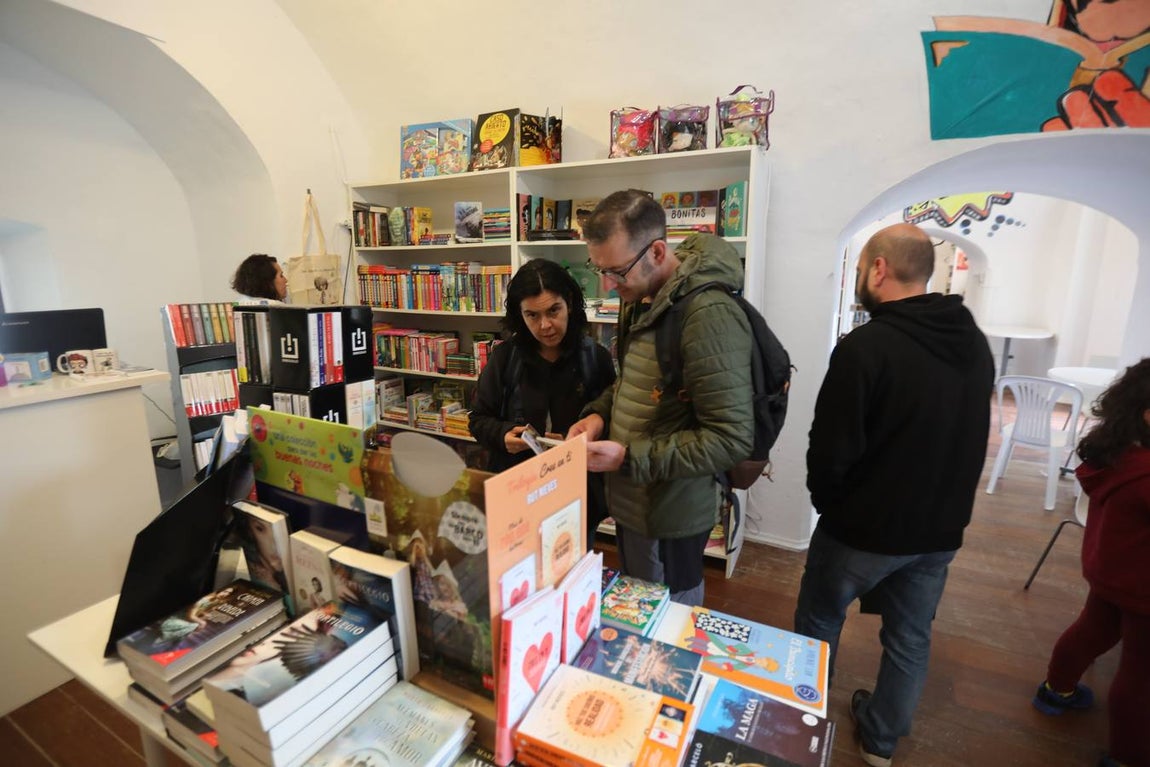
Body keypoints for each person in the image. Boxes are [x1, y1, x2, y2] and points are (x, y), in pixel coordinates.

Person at [793, 223, 994, 767]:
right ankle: (881, 742)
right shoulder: (972, 342)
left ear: (879, 269)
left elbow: (830, 450)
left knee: (819, 622)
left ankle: (802, 723)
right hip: (939, 529)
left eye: (860, 269)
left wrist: (830, 508)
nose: (859, 279)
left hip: (862, 531)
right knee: (910, 637)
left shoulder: (865, 347)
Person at [567, 190, 754, 606]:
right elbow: (635, 381)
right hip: (635, 500)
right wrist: (598, 415)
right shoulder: (640, 295)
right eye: (599, 269)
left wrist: (627, 458)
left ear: (656, 252)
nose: (607, 286)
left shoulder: (708, 315)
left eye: (616, 271)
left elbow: (730, 438)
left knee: (669, 617)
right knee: (641, 607)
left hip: (672, 511)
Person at [1033, 359, 1150, 767]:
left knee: (1091, 631)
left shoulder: (1120, 455)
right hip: (1141, 587)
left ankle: (1056, 690)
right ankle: (1128, 756)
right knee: (1140, 675)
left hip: (1109, 573)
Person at [469, 258, 616, 549]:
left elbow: (612, 421)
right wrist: (503, 435)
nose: (545, 325)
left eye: (553, 311)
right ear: (519, 315)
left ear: (569, 303)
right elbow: (478, 420)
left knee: (572, 562)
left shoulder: (594, 358)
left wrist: (579, 444)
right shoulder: (505, 358)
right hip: (518, 494)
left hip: (576, 495)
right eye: (532, 315)